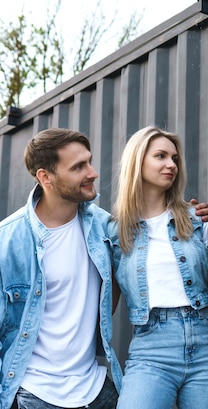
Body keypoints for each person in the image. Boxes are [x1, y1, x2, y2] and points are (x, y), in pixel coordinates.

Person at [108, 126, 208, 409]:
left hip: (207, 340)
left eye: (175, 158)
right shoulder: (116, 233)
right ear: (138, 162)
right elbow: (108, 299)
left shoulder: (196, 219)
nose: (171, 165)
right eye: (161, 156)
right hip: (151, 347)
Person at [0, 128, 122, 409]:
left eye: (89, 161)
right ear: (45, 177)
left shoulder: (105, 228)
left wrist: (188, 216)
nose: (92, 172)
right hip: (35, 394)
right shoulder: (8, 242)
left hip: (96, 391)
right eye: (79, 167)